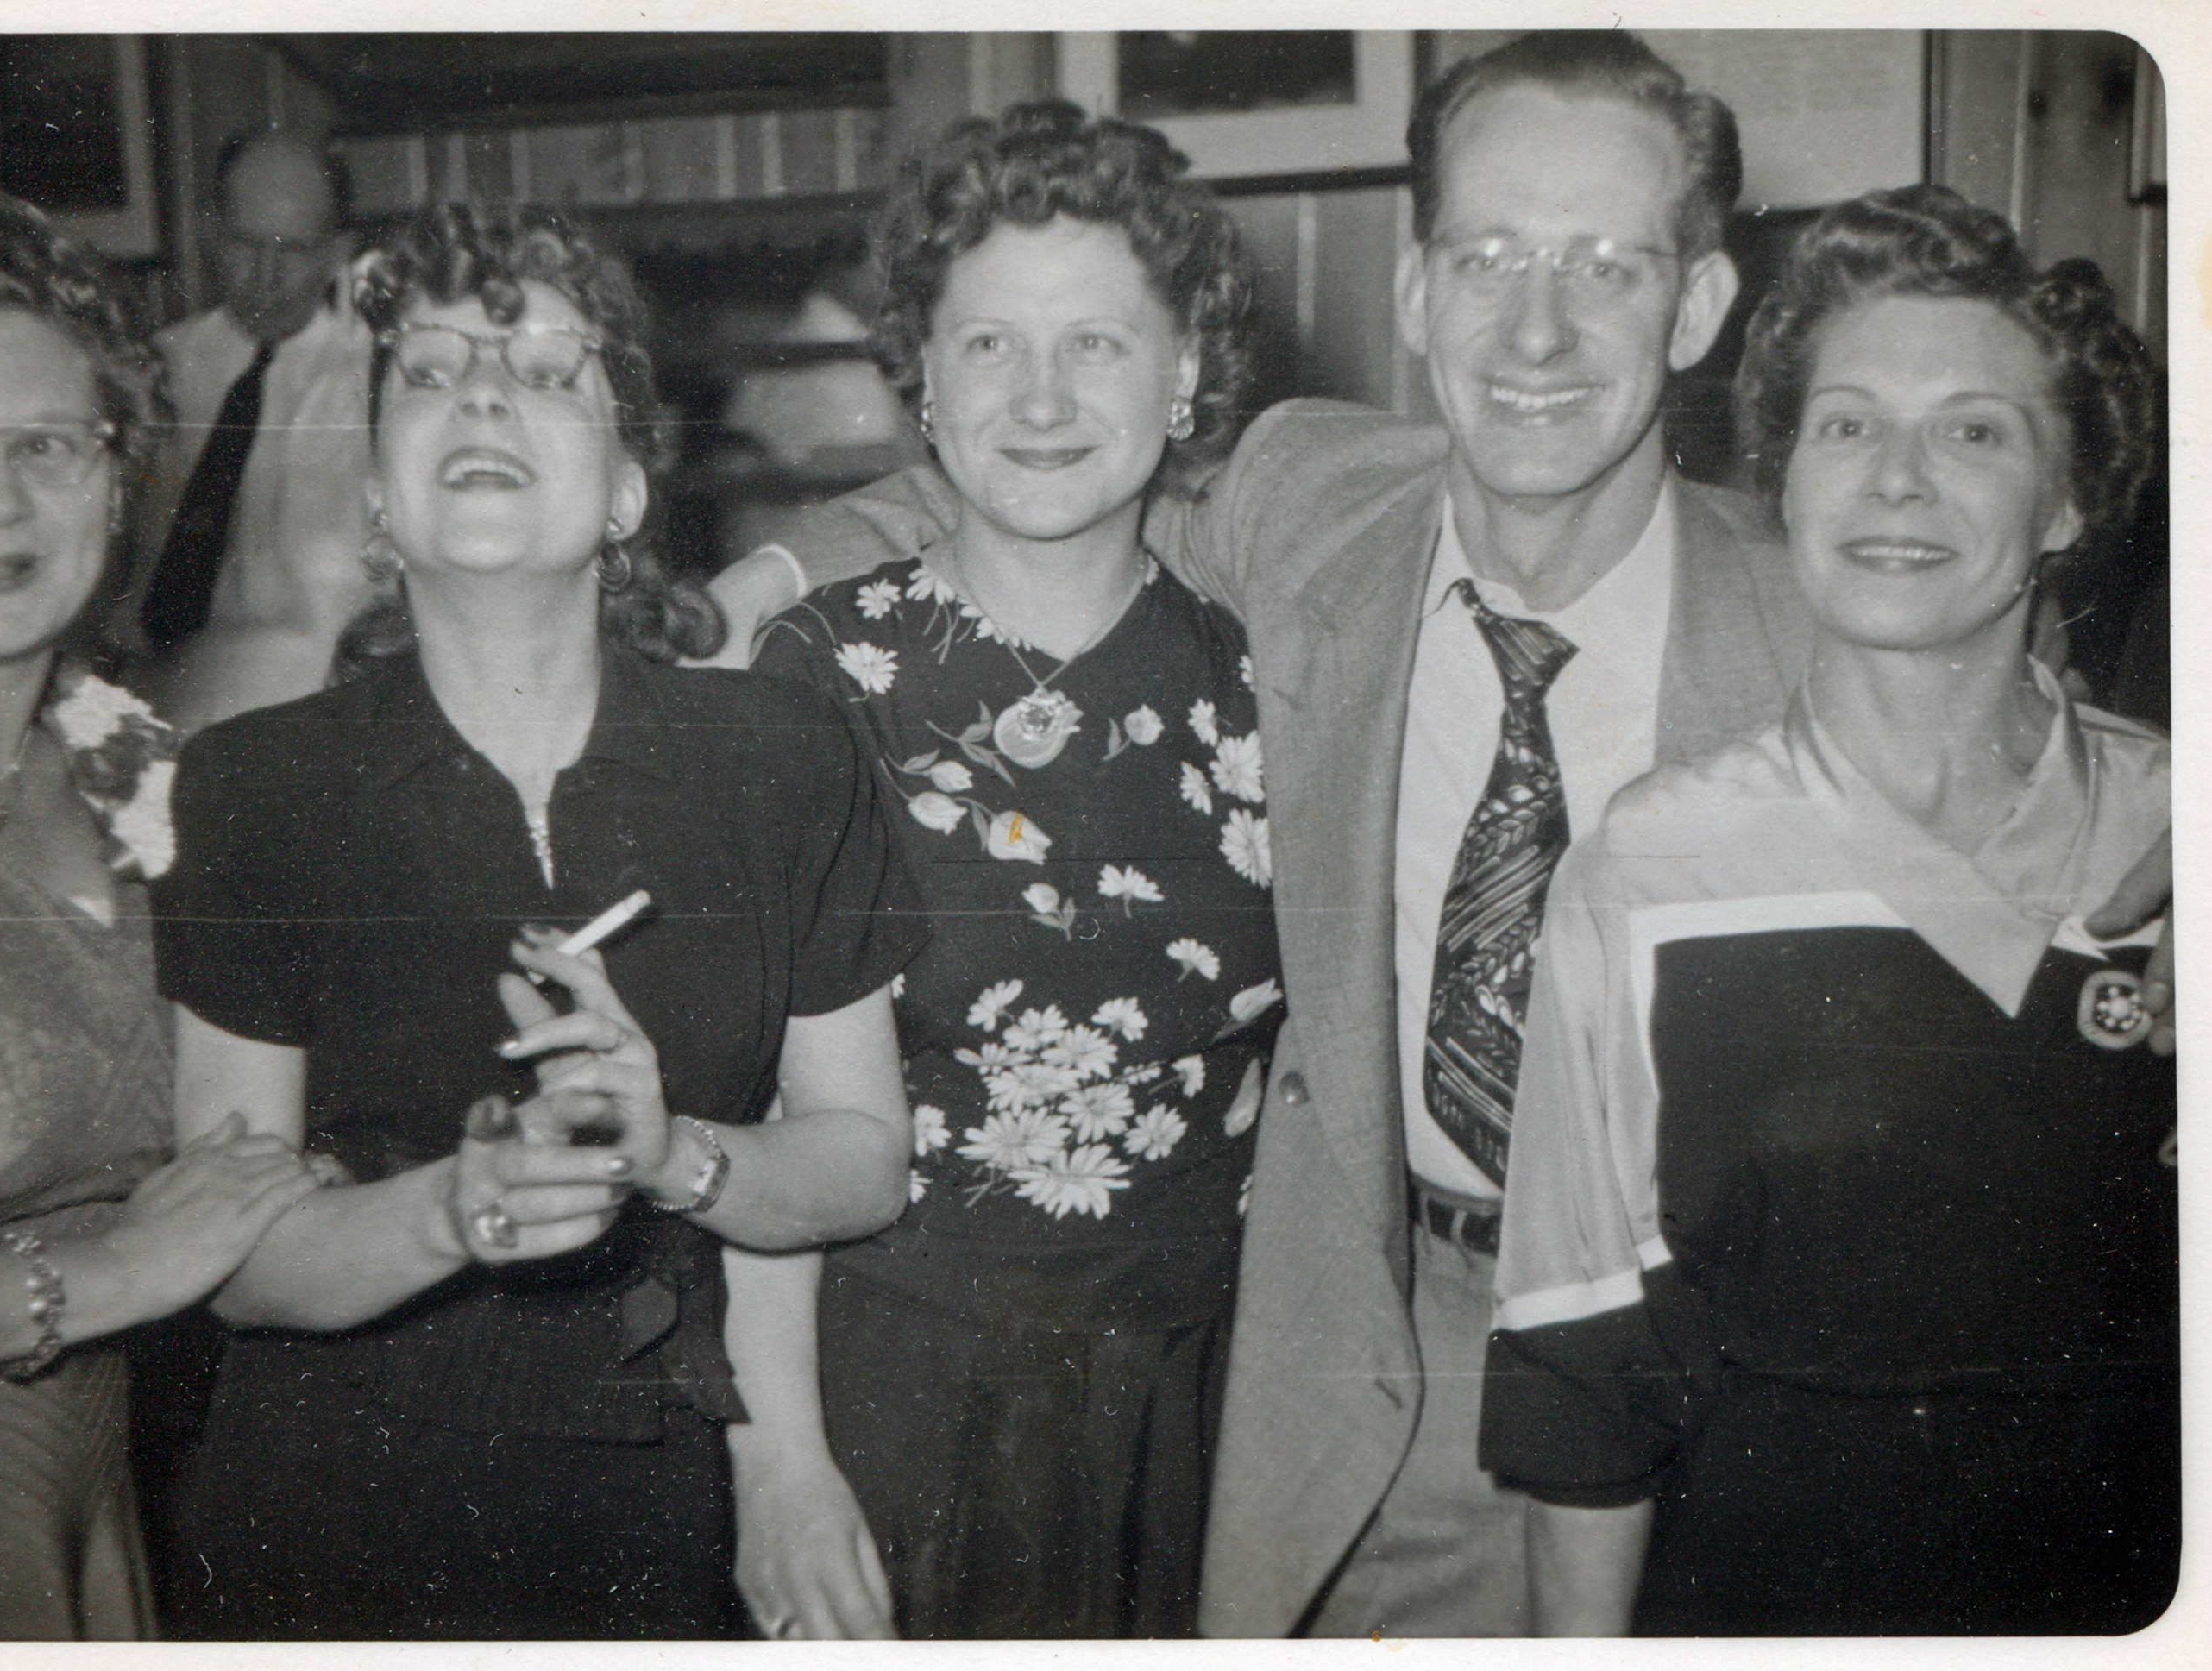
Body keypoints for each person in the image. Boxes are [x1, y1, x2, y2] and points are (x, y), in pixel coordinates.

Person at [707, 32, 2175, 1636]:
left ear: (1697, 306)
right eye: (1486, 258)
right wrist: (757, 584)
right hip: (1371, 1339)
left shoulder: (1819, 583)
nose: (1535, 330)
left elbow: (2033, 722)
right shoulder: (1308, 499)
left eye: (1604, 266)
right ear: (1414, 292)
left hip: (1713, 1368)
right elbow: (1030, 465)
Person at [148, 202, 925, 1640]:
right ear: (376, 494)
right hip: (333, 1516)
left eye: (547, 370)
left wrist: (669, 1152)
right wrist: (460, 1205)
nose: (485, 395)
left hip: (663, 1498)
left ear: (628, 489)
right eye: (430, 373)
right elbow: (235, 1257)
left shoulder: (783, 755)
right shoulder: (255, 788)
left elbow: (861, 1161)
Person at [1486, 184, 2172, 1636]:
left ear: (2068, 500)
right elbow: (1587, 1375)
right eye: (1849, 426)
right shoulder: (1648, 868)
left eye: (1974, 432)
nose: (1897, 481)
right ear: (1785, 482)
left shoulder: (2179, 832)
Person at [736, 100, 1279, 1639]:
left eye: (1096, 343)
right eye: (989, 345)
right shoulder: (818, 676)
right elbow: (758, 1098)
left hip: (1205, 1401)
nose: (1041, 398)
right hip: (901, 1387)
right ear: (922, 373)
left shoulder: (1267, 676)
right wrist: (778, 1464)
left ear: (1184, 370)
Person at [0, 178, 324, 1640]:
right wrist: (109, 1274)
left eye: (48, 445)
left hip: (80, 1544)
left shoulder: (123, 759)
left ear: (119, 482)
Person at [120, 130, 380, 731]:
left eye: (294, 250)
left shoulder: (376, 381)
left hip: (319, 722)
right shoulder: (154, 372)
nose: (266, 275)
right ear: (211, 231)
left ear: (339, 251)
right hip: (157, 717)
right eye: (246, 243)